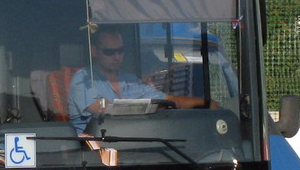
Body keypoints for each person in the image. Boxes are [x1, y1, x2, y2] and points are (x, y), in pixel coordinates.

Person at [67, 26, 205, 131]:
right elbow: (105, 110)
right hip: (91, 155)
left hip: (130, 145)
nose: (117, 56)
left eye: (120, 51)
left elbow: (168, 100)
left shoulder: (130, 80)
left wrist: (207, 105)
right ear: (94, 51)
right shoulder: (82, 79)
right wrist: (149, 107)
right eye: (109, 52)